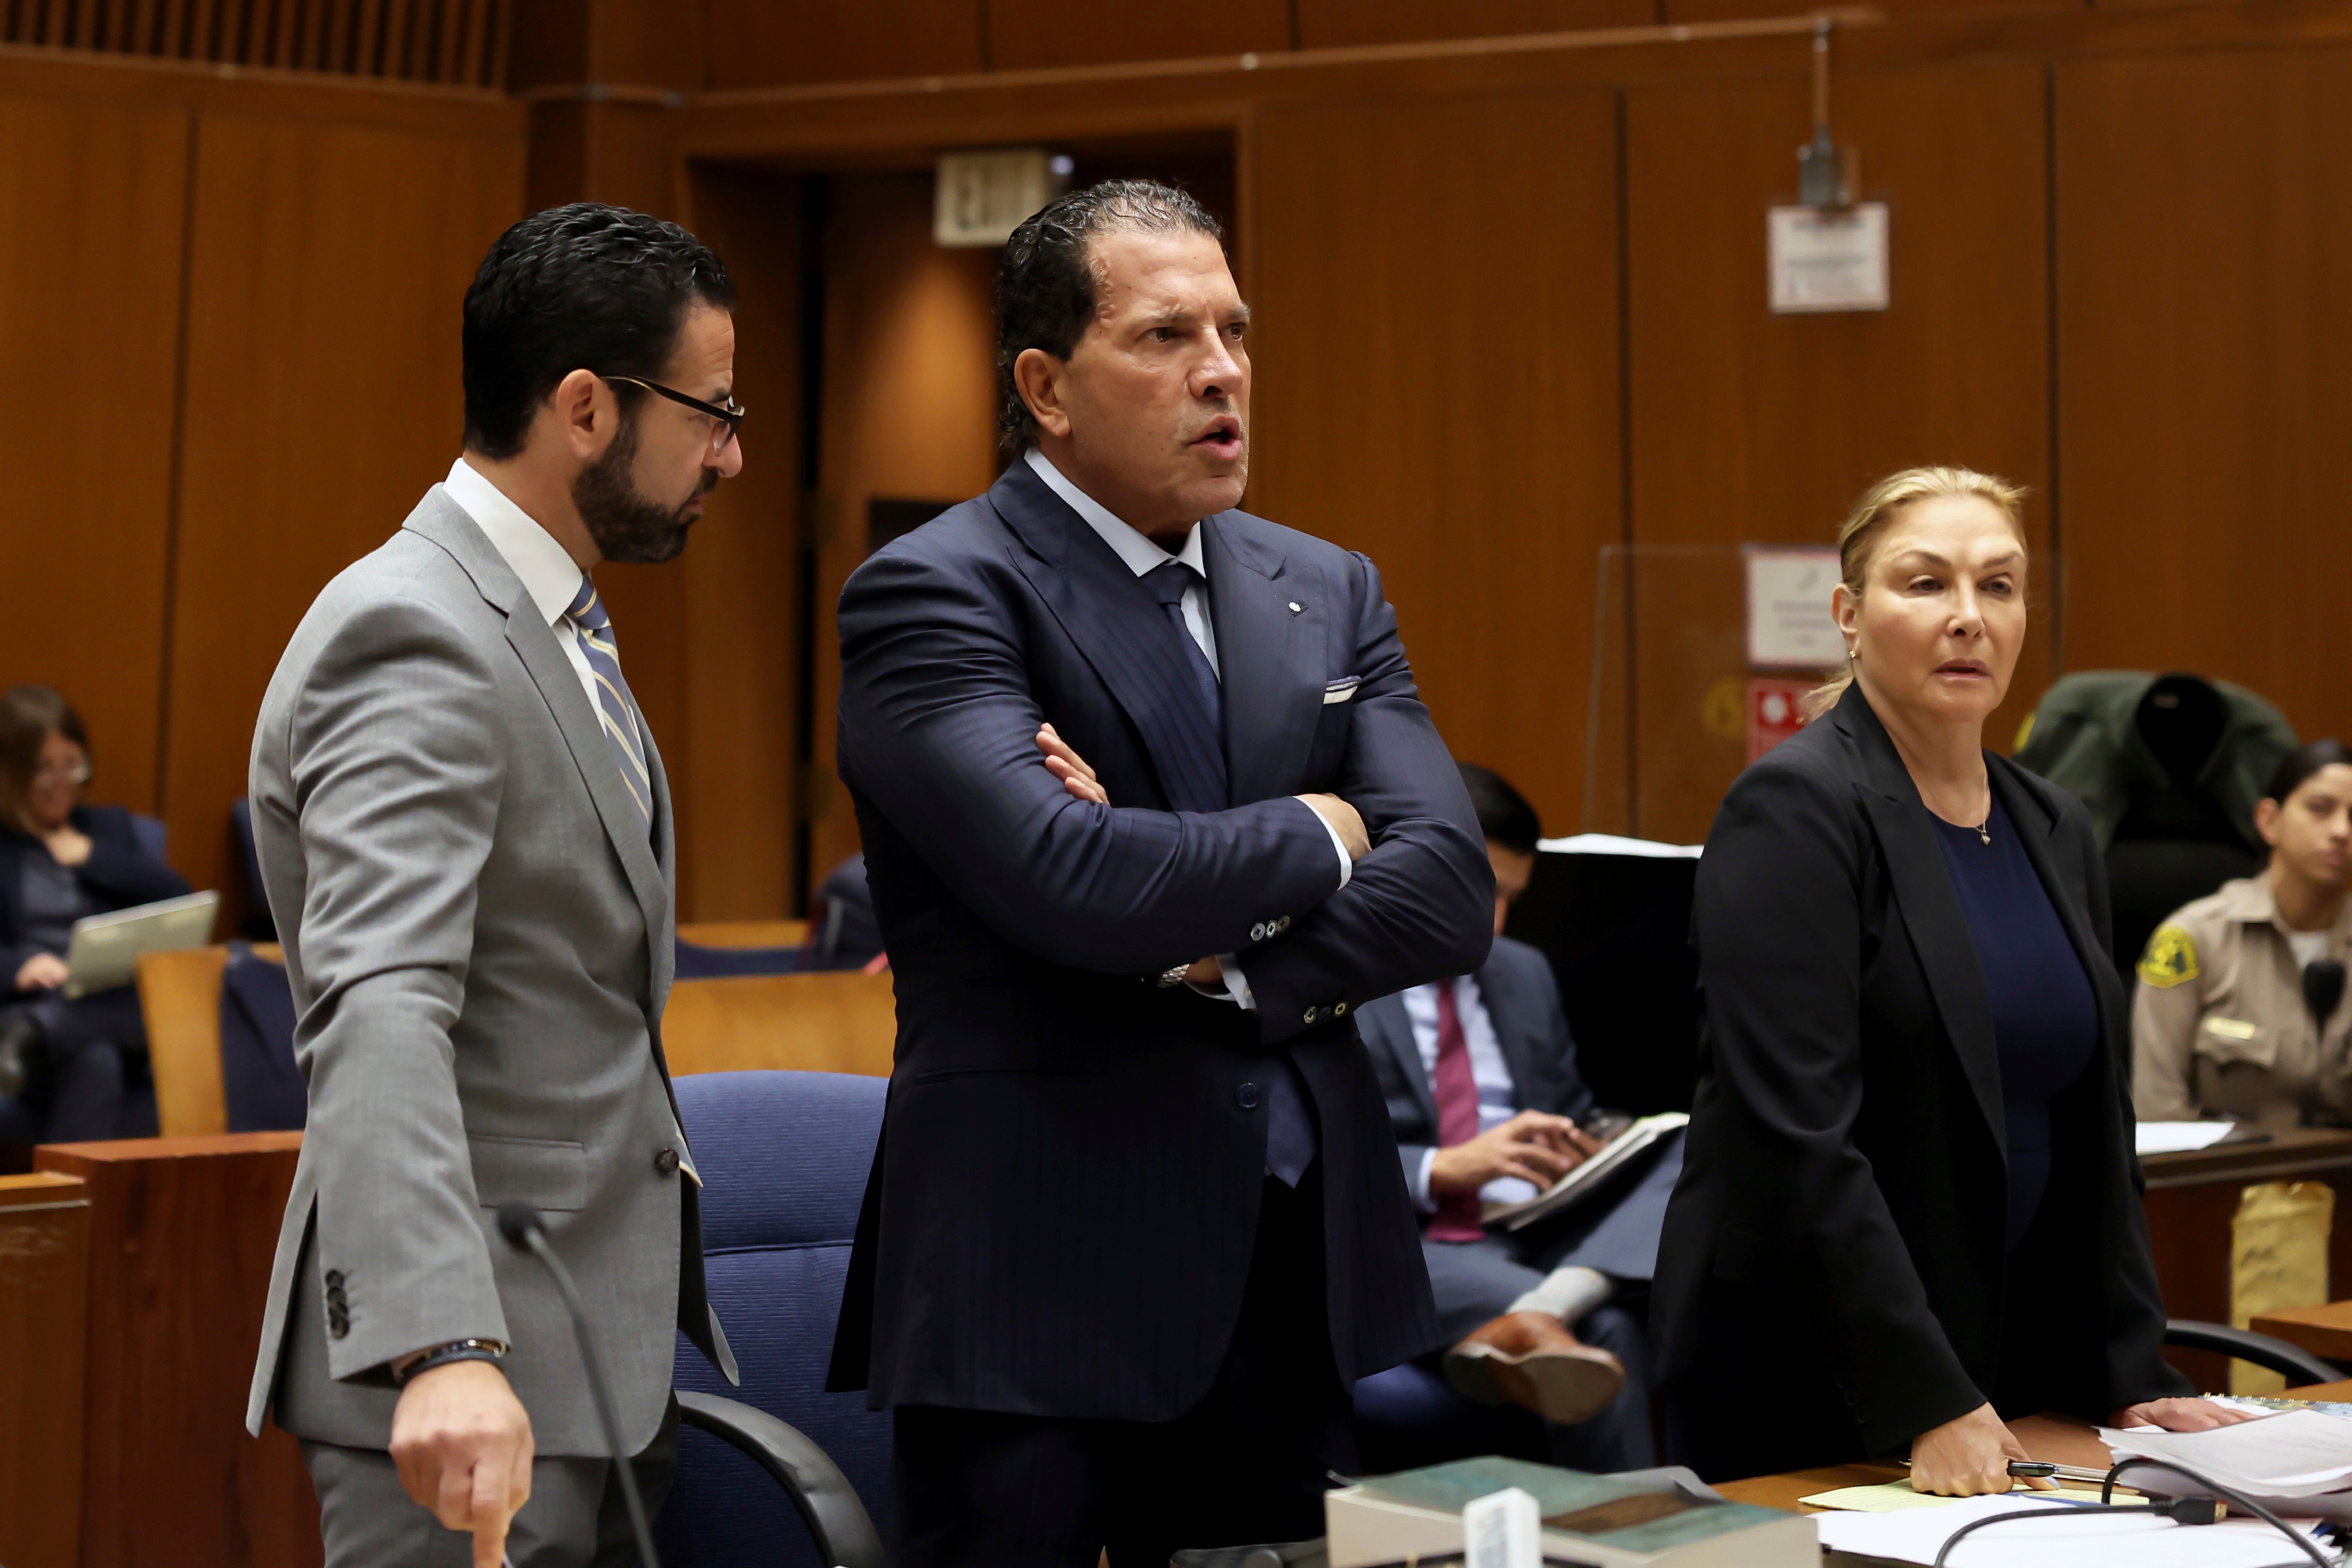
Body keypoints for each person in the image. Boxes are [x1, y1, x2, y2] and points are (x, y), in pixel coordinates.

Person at [825, 179, 1493, 1565]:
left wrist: (1219, 953)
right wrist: (1324, 826)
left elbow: (1444, 884)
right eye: (1164, 336)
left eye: (1234, 331)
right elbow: (1067, 874)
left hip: (1288, 1266)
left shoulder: (1324, 585)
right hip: (1039, 1281)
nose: (1221, 371)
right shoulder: (938, 588)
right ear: (1045, 386)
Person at [242, 203, 745, 1568]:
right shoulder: (415, 627)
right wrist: (443, 1340)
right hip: (466, 1380)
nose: (732, 453)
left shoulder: (548, 617)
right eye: (711, 410)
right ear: (587, 407)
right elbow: (378, 1005)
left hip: (585, 1362)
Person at [1651, 466, 2249, 1493]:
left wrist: (2129, 1367)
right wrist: (1922, 1391)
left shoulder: (2052, 821)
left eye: (1999, 586)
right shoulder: (1792, 809)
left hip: (2010, 1366)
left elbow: (2097, 1130)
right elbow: (1795, 1138)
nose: (1968, 617)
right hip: (1822, 1369)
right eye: (1926, 584)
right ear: (1847, 615)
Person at [1357, 763, 1683, 1472]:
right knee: (1609, 1334)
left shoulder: (1522, 972)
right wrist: (1442, 1167)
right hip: (1399, 1241)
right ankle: (1626, 1540)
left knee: (1687, 1143)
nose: (1495, 922)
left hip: (1527, 1230)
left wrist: (1587, 1148)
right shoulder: (1340, 970)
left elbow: (1562, 1106)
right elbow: (1296, 1148)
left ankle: (1544, 1309)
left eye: (1511, 899)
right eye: (1483, 892)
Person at [0, 684, 190, 1141]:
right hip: (26, 999)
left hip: (103, 997)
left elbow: (180, 902)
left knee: (165, 1009)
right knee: (98, 1060)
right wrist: (19, 965)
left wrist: (90, 856)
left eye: (72, 765)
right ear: (12, 772)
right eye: (45, 770)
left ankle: (40, 1033)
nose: (63, 782)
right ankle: (37, 1026)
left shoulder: (106, 830)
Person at [2134, 739, 2352, 1125]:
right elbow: (2158, 1112)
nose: (2340, 830)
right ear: (2269, 821)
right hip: (2228, 1178)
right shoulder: (2193, 939)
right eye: (2319, 809)